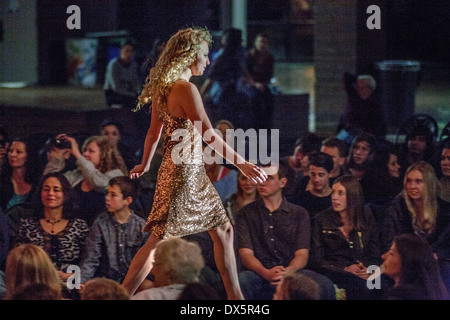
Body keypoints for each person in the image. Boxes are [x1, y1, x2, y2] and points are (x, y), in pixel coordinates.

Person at [121, 27, 267, 300]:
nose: (208, 60)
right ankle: (120, 296)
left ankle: (236, 299)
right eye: (204, 54)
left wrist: (144, 163)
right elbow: (209, 135)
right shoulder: (185, 89)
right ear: (189, 56)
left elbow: (153, 133)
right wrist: (242, 163)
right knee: (157, 243)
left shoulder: (164, 86)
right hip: (184, 173)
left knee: (222, 230)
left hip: (180, 171)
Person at [235, 164, 335, 300]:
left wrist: (288, 272)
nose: (262, 183)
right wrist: (266, 273)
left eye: (268, 178)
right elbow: (246, 254)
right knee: (242, 281)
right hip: (259, 271)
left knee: (324, 284)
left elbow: (302, 254)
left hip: (292, 271)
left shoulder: (299, 213)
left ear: (282, 182)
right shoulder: (245, 213)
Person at [380, 161, 450, 293]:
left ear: (429, 184)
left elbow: (447, 244)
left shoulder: (445, 211)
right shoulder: (397, 208)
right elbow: (389, 242)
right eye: (409, 181)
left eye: (418, 181)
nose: (412, 186)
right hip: (403, 261)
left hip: (434, 263)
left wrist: (437, 255)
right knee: (377, 280)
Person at [310, 175, 384, 300]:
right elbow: (316, 260)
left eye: (340, 193)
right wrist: (345, 268)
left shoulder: (367, 217)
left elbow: (375, 253)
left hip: (364, 271)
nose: (334, 197)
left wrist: (367, 269)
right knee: (360, 288)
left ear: (352, 196)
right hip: (334, 273)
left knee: (380, 286)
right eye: (333, 192)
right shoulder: (321, 220)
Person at [14, 173, 89, 283]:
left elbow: (89, 262)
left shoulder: (80, 226)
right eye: (46, 189)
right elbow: (19, 260)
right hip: (35, 285)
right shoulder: (27, 225)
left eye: (56, 190)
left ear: (65, 195)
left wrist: (70, 276)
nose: (50, 193)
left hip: (71, 285)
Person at [78, 176, 150, 286]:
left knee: (146, 285)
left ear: (127, 200)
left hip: (133, 281)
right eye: (107, 193)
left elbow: (147, 262)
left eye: (113, 195)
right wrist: (82, 282)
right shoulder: (100, 223)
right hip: (107, 281)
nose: (107, 198)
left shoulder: (141, 226)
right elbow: (91, 258)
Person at [44, 134, 127, 225]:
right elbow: (49, 181)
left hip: (102, 231)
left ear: (104, 154)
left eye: (91, 151)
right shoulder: (78, 175)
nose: (85, 154)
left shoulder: (115, 174)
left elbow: (101, 185)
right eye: (84, 150)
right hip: (73, 230)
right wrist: (57, 158)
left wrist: (77, 154)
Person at [200, 27, 248, 128]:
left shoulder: (223, 56)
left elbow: (210, 79)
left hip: (223, 96)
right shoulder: (238, 56)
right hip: (229, 96)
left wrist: (201, 95)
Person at [131, 238, 205, 300]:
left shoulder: (149, 297)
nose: (152, 271)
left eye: (155, 264)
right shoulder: (207, 295)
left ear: (168, 269)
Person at [381, 233, 448, 300]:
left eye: (391, 254)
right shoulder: (434, 292)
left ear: (407, 261)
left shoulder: (399, 297)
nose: (383, 256)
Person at [337, 72, 386, 144]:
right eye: (359, 87)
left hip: (366, 134)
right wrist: (358, 80)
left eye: (364, 88)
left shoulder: (375, 104)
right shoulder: (354, 96)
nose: (361, 90)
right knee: (336, 143)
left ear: (371, 89)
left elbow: (378, 126)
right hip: (348, 131)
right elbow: (346, 76)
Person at [241, 33, 275, 130]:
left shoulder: (269, 57)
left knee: (269, 102)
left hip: (263, 85)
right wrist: (255, 84)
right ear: (255, 43)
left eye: (265, 42)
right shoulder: (249, 56)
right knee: (254, 102)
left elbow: (270, 74)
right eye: (260, 41)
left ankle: (266, 129)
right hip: (250, 86)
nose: (262, 44)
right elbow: (245, 73)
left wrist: (264, 84)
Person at [0, 136, 42, 212]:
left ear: (28, 156)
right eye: (10, 151)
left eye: (18, 152)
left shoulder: (37, 183)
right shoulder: (2, 180)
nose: (12, 155)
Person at [289, 152, 333, 221]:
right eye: (313, 174)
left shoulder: (335, 201)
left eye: (321, 175)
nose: (316, 179)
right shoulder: (299, 201)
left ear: (330, 174)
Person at [280, 132, 323, 197]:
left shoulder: (314, 170)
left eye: (305, 154)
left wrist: (306, 172)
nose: (299, 157)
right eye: (299, 151)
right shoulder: (279, 164)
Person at [103, 39, 141, 109]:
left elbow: (136, 82)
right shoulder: (114, 64)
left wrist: (138, 92)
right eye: (126, 51)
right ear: (121, 51)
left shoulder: (133, 65)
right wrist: (132, 95)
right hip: (114, 94)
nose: (129, 54)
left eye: (131, 51)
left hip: (129, 93)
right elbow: (115, 86)